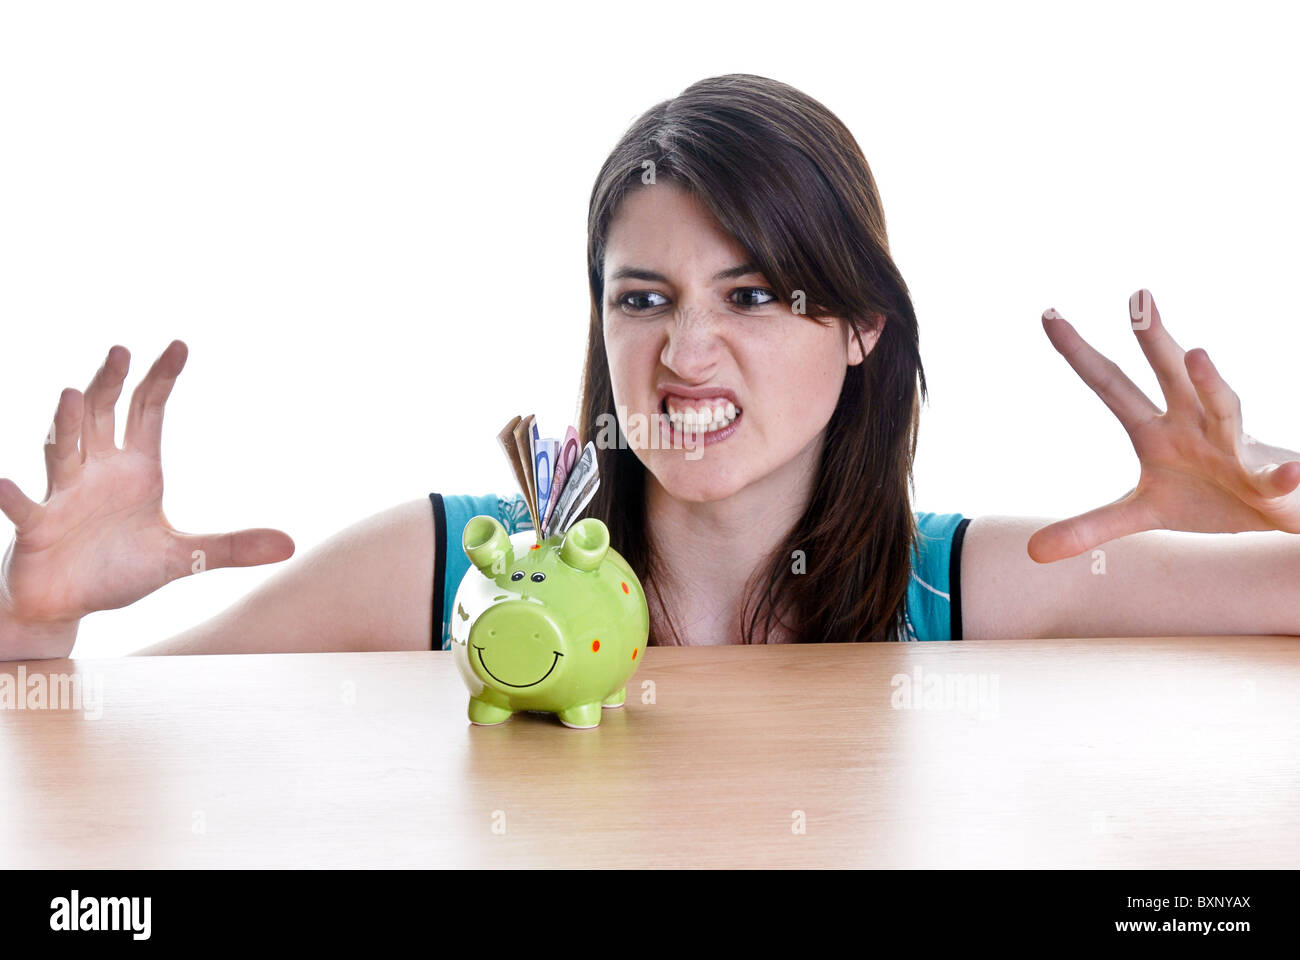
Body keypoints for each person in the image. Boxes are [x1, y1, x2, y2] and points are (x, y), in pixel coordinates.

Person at [3, 74, 1299, 660]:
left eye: (752, 294)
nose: (685, 352)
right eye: (644, 297)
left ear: (862, 325)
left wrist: (1269, 513)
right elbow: (98, 730)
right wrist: (36, 626)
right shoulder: (443, 566)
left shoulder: (961, 584)